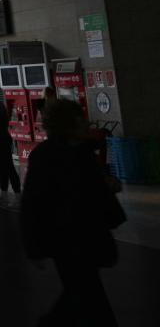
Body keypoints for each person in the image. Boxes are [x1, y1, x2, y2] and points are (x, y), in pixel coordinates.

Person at [21, 99, 123, 327]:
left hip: (81, 235)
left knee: (80, 293)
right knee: (87, 295)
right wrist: (33, 246)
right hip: (68, 239)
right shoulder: (53, 156)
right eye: (81, 118)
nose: (86, 122)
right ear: (70, 123)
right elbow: (32, 205)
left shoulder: (79, 151)